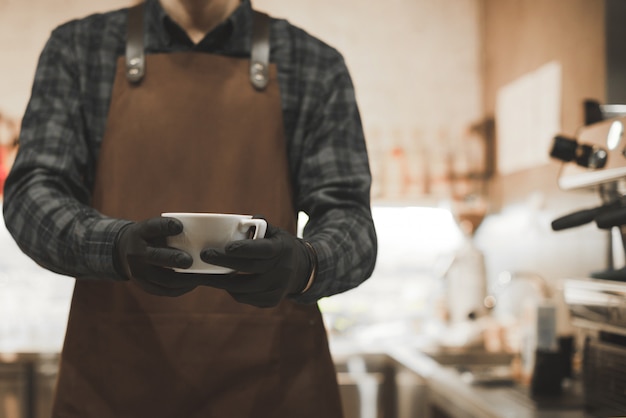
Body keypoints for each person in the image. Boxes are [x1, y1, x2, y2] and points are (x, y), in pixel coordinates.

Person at [3, 0, 377, 416]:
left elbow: (352, 220)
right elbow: (31, 196)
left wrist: (305, 265)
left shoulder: (314, 64)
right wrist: (115, 245)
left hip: (273, 387)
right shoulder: (77, 49)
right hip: (114, 386)